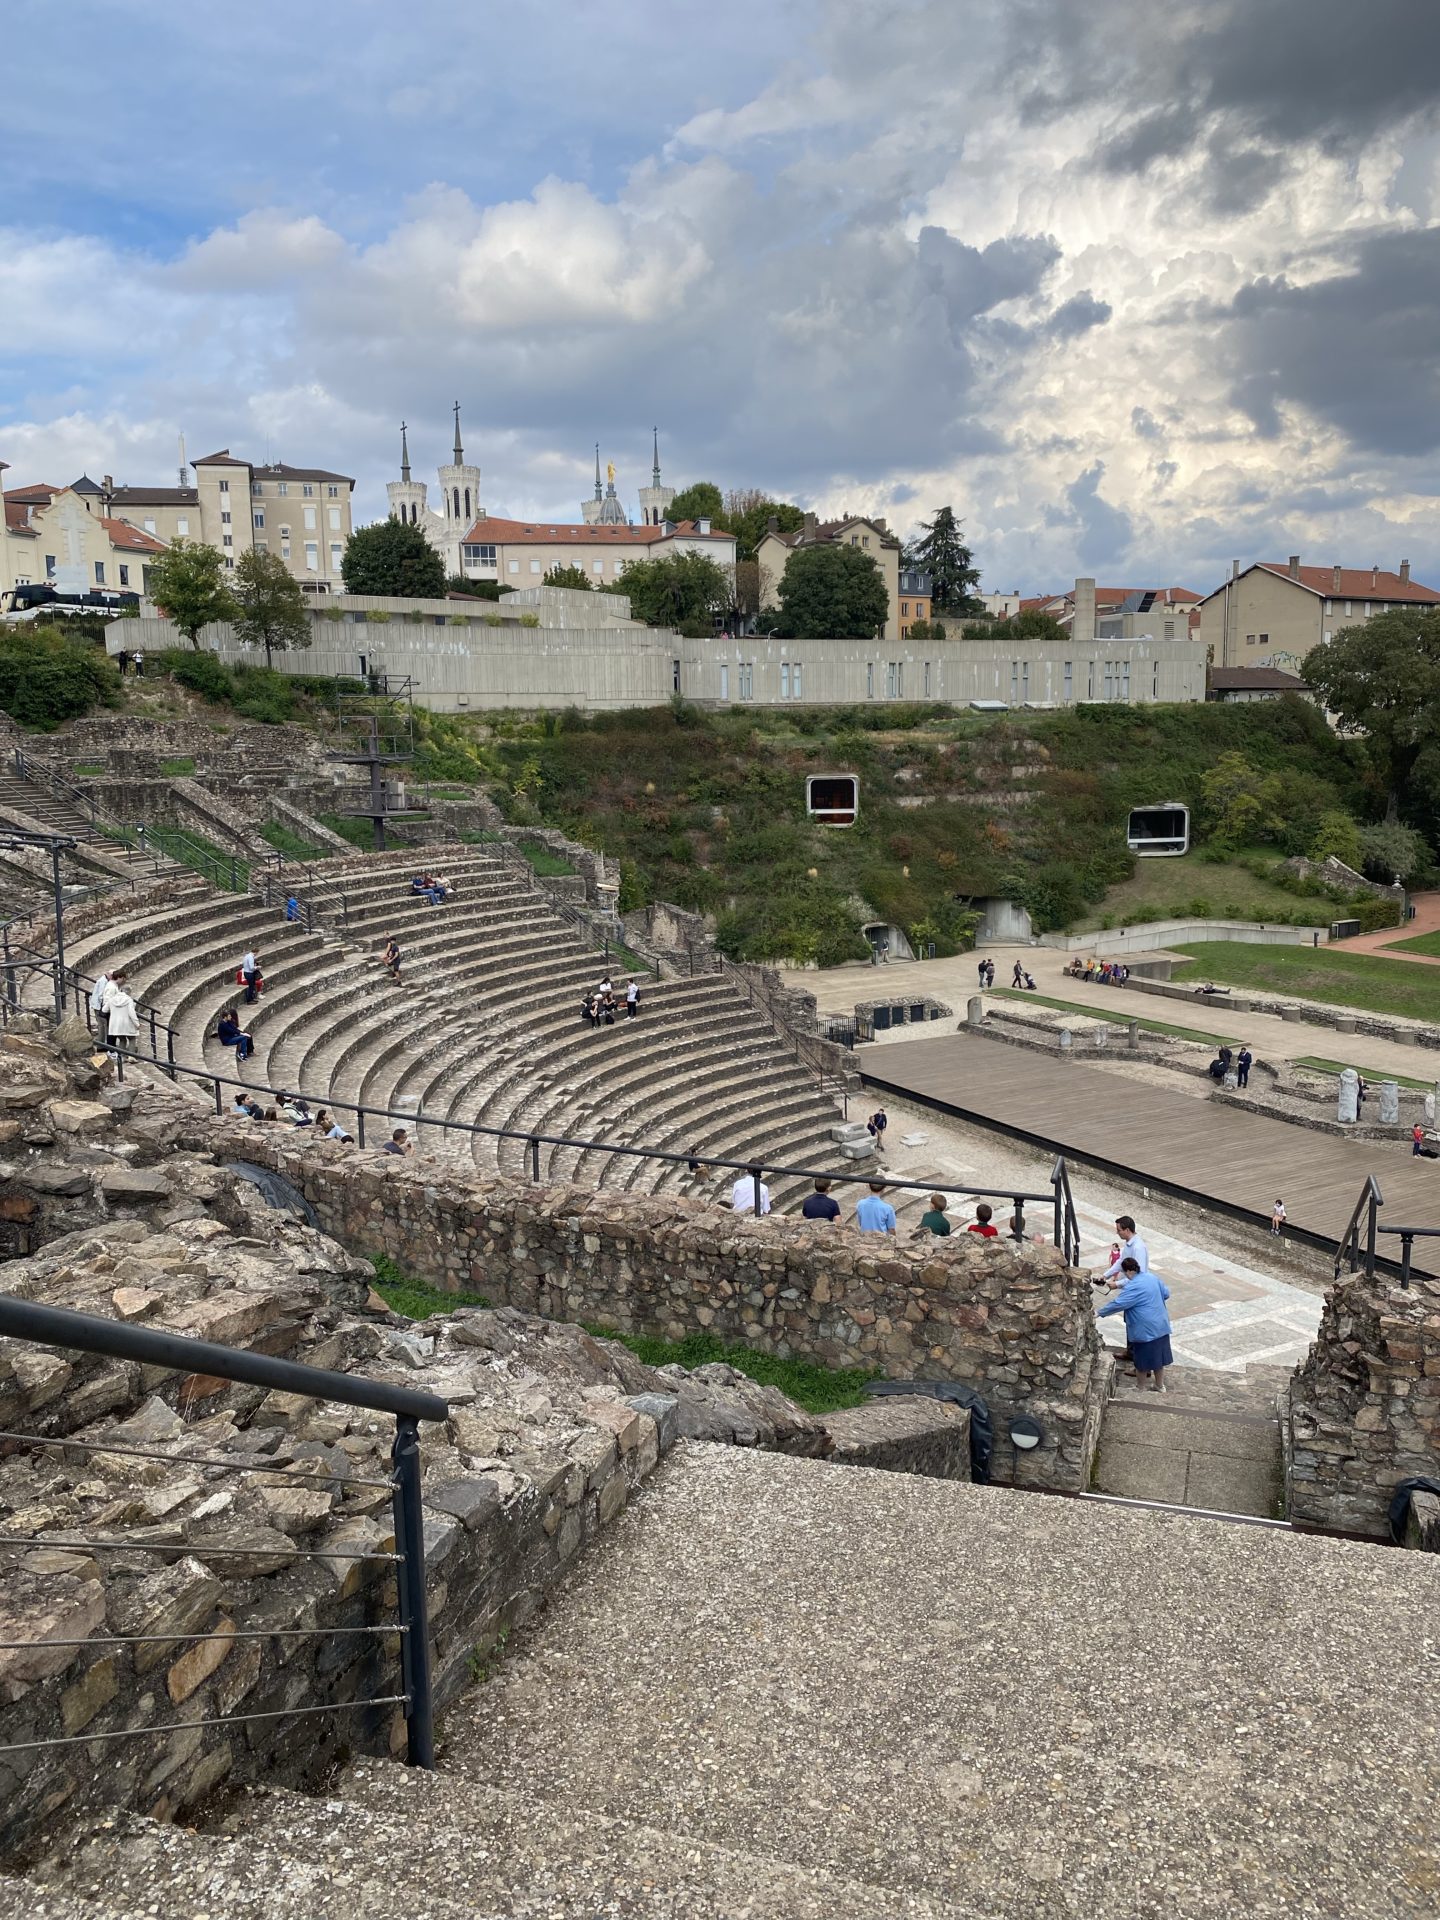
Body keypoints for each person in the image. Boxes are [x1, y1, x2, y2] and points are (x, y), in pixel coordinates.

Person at [1098, 1256, 1172, 1391]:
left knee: (1142, 1360)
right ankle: (1159, 1386)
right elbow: (1166, 1293)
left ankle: (1140, 1387)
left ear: (1128, 1271)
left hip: (1144, 1329)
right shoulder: (1152, 1277)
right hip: (1161, 1325)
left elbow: (1119, 1303)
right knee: (1158, 1359)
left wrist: (1099, 1312)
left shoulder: (1133, 1287)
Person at [1100, 1216, 1148, 1284]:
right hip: (1129, 1286)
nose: (1117, 1232)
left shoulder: (1138, 1248)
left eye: (1119, 1230)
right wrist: (1105, 1275)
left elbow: (1139, 1274)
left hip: (1136, 1289)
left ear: (1127, 1230)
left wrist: (1118, 1284)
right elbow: (1121, 1262)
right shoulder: (1128, 1243)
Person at [101, 971, 138, 1053]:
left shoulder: (113, 990)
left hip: (115, 1020)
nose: (123, 980)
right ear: (120, 977)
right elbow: (132, 1013)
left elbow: (105, 1007)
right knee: (131, 1038)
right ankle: (130, 1056)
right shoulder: (113, 988)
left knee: (121, 1038)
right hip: (123, 1020)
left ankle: (121, 1056)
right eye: (123, 978)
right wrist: (137, 1023)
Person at [89, 967, 113, 1045]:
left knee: (102, 1024)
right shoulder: (103, 981)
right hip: (99, 1006)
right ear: (109, 975)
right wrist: (104, 1006)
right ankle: (102, 1042)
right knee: (102, 1024)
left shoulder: (104, 980)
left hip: (98, 1005)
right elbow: (100, 995)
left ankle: (102, 1042)